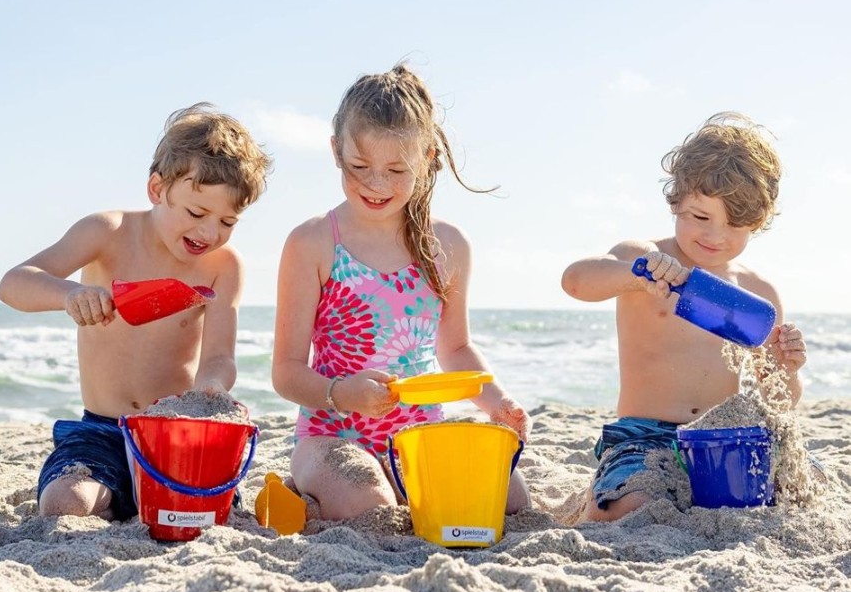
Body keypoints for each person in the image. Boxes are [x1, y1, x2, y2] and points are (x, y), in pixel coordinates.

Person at [271, 63, 531, 520]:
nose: (376, 184)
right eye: (359, 166)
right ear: (335, 150)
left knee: (511, 499)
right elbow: (286, 372)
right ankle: (308, 489)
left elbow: (456, 348)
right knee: (368, 506)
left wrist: (497, 402)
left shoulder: (446, 245)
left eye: (396, 169)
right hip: (332, 435)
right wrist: (341, 393)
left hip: (420, 432)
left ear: (428, 157)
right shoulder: (312, 242)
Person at [0, 104, 272, 521]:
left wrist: (212, 386)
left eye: (227, 221)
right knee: (64, 503)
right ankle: (116, 498)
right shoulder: (108, 232)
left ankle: (133, 502)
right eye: (196, 213)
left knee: (207, 514)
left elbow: (218, 356)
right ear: (157, 189)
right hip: (103, 429)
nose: (208, 233)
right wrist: (71, 294)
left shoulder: (222, 267)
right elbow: (14, 283)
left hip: (174, 432)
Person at [561, 111, 807, 522]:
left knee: (797, 485)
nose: (715, 237)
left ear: (758, 223)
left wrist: (788, 367)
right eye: (700, 217)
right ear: (675, 201)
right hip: (645, 435)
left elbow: (779, 399)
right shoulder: (647, 257)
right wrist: (638, 276)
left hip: (723, 438)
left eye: (735, 225)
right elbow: (576, 281)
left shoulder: (757, 292)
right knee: (626, 509)